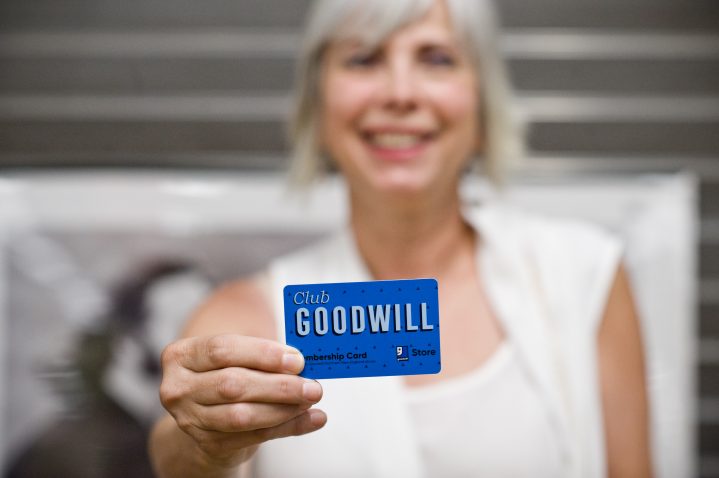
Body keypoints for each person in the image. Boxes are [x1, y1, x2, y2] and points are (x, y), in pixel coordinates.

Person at [149, 0, 653, 477]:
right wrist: (200, 445)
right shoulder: (245, 321)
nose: (400, 93)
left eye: (437, 59)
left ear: (482, 103)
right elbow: (176, 454)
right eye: (364, 59)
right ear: (317, 106)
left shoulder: (583, 274)